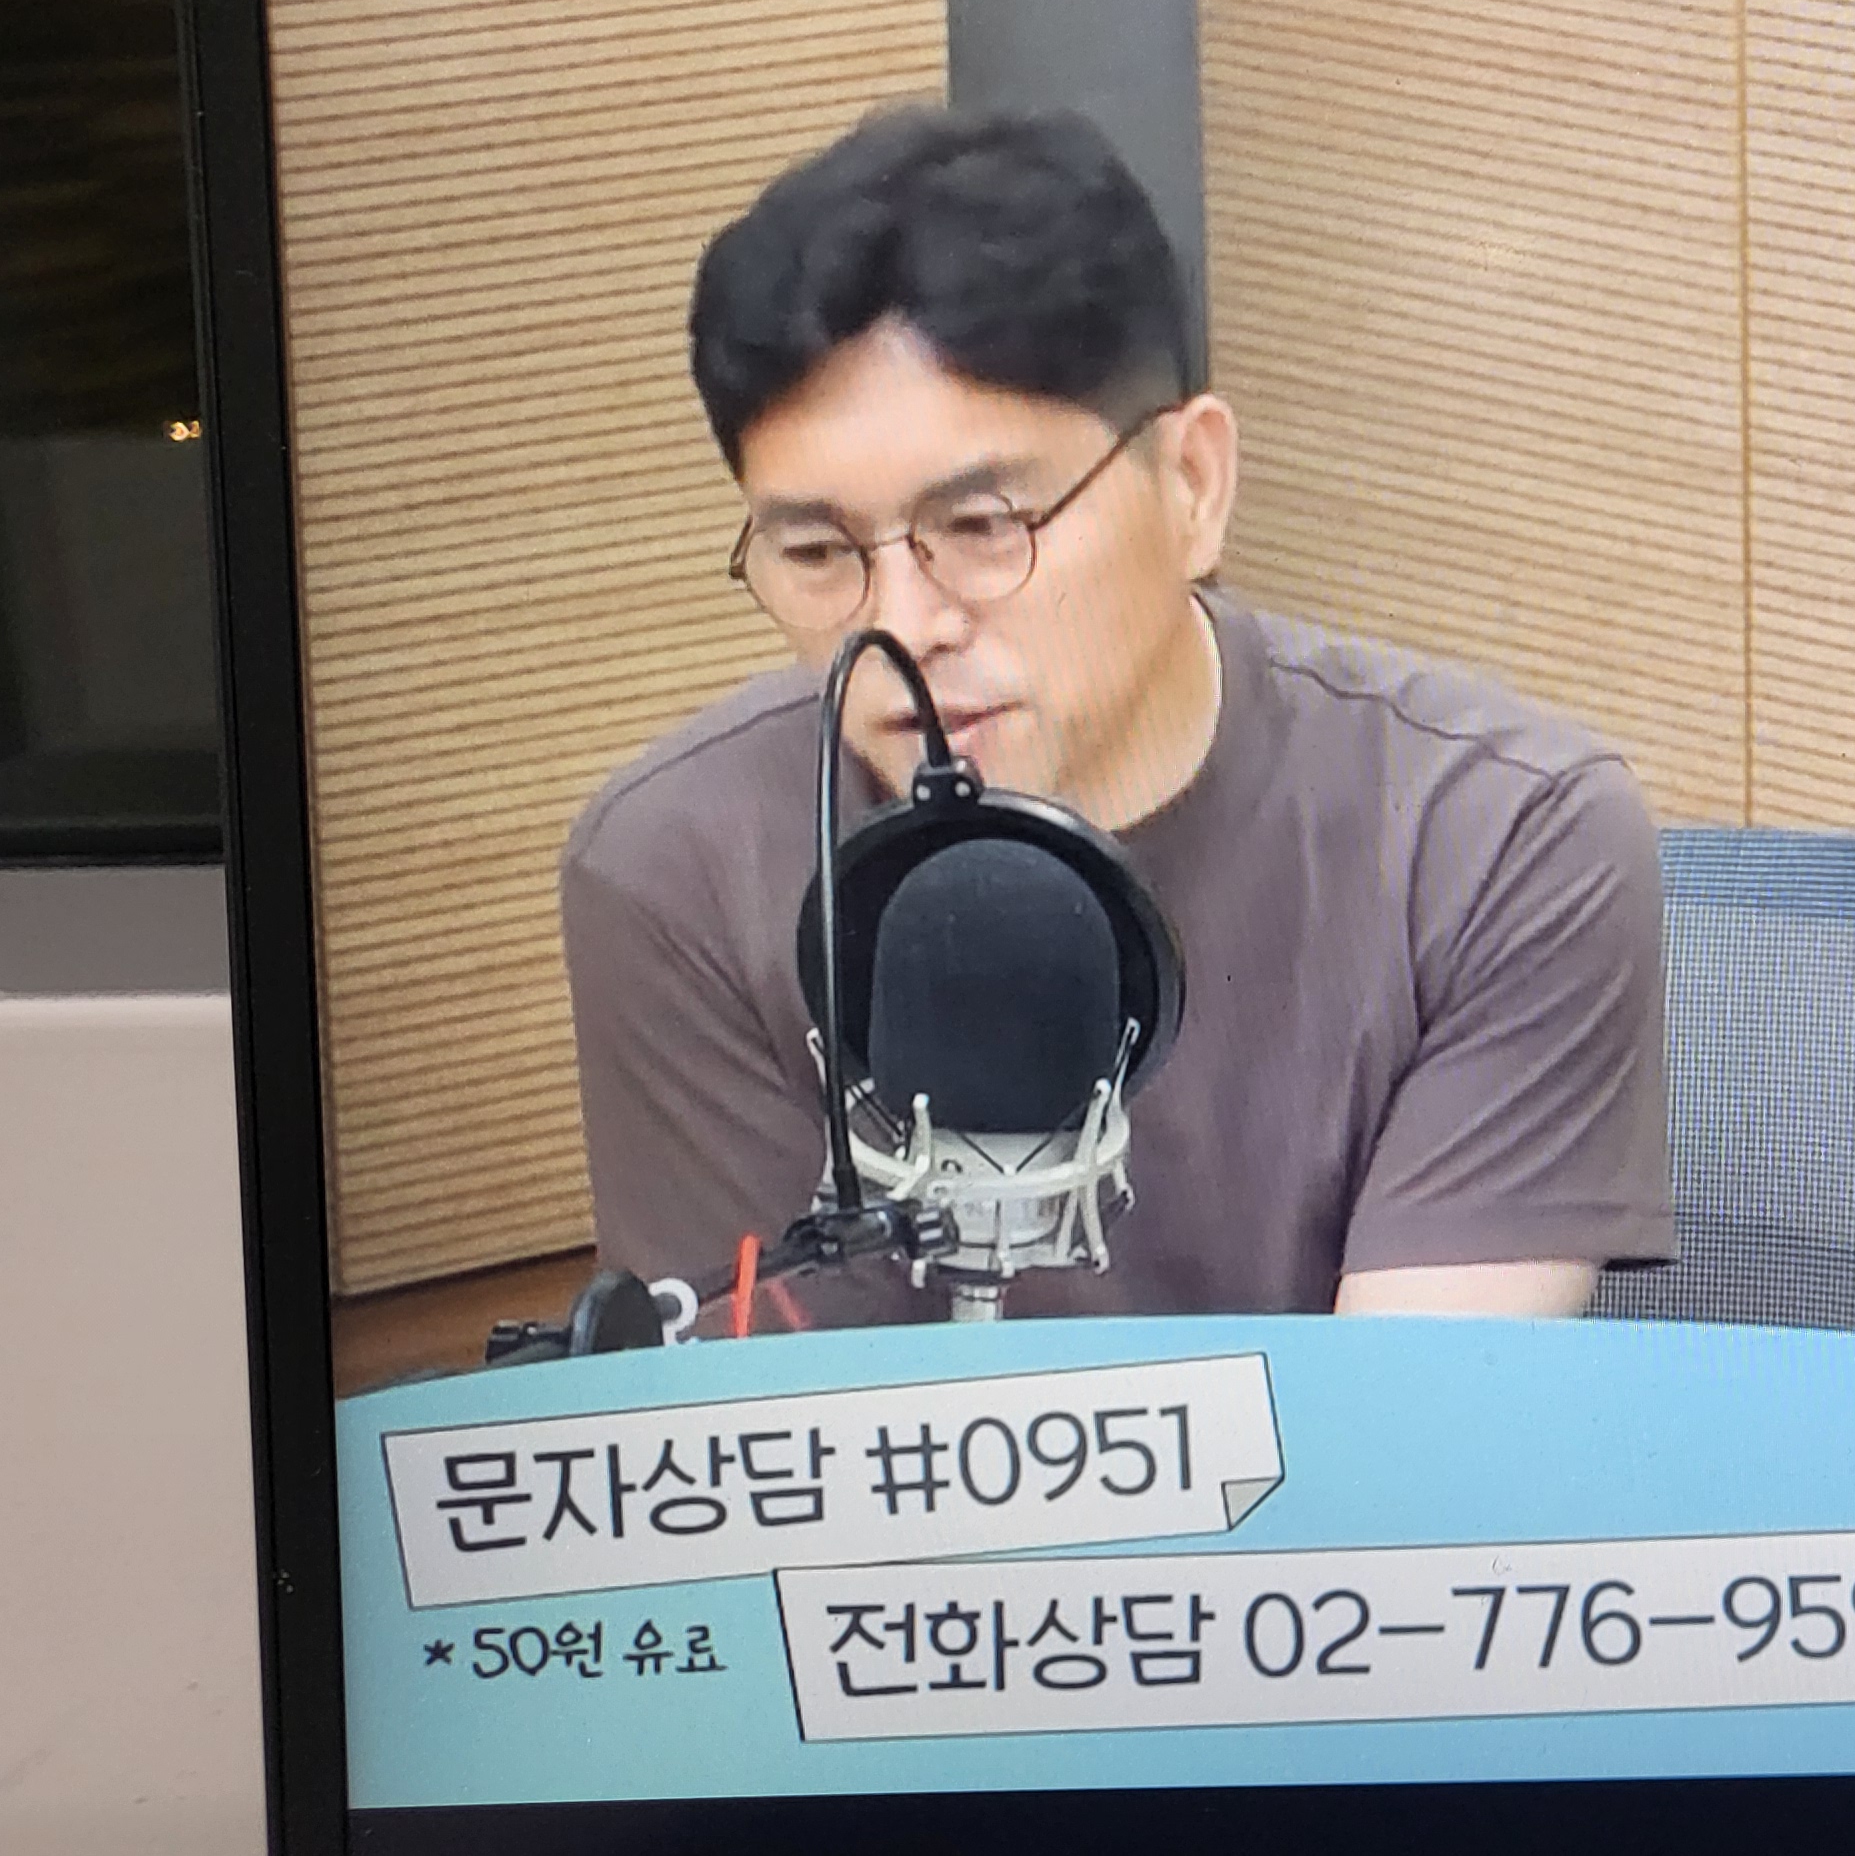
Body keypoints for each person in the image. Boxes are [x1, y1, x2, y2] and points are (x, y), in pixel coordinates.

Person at [562, 107, 1674, 1326]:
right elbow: (782, 1422)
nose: (903, 626)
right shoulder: (678, 871)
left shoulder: (1499, 839)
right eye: (819, 551)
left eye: (982, 526)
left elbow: (1413, 1427)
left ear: (1191, 484)